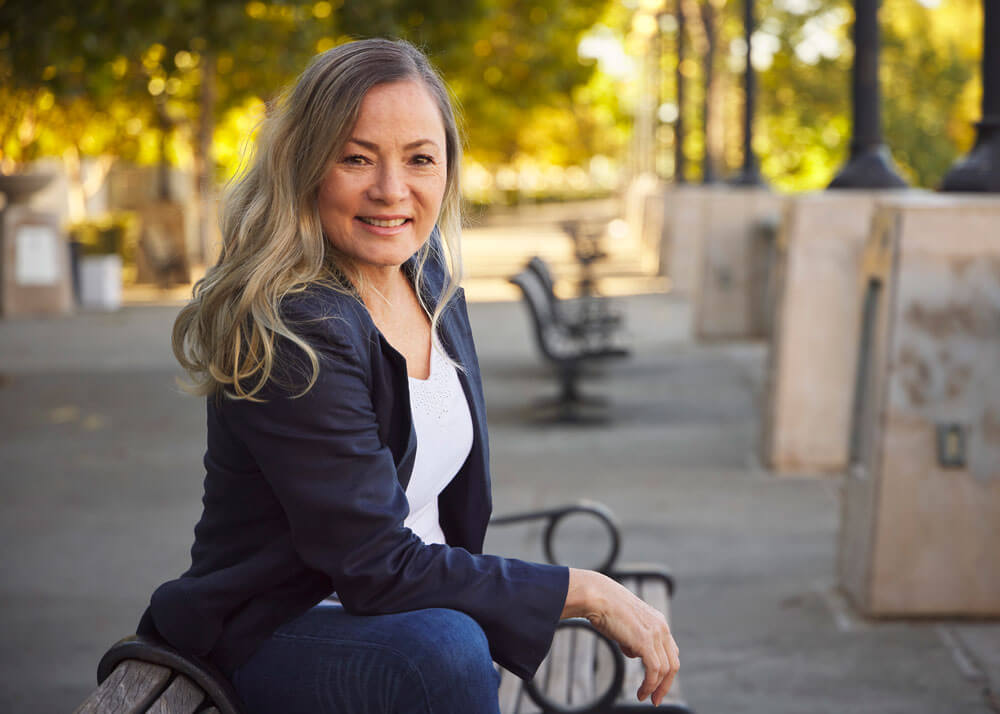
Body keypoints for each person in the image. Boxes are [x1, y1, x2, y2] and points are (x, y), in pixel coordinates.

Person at [138, 38, 679, 713]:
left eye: (420, 159)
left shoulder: (428, 282)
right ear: (306, 167)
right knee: (446, 650)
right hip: (276, 630)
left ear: (447, 168)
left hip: (401, 610)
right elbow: (373, 563)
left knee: (449, 642)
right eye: (356, 158)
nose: (391, 190)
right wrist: (586, 590)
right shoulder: (294, 328)